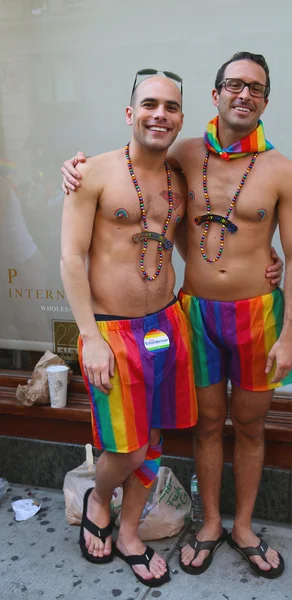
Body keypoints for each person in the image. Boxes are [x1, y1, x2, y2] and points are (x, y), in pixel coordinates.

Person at [61, 51, 292, 580]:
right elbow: (107, 230)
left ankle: (240, 527)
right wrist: (73, 167)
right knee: (203, 425)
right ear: (216, 95)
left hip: (248, 316)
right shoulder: (183, 155)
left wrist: (287, 326)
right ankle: (207, 524)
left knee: (240, 426)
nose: (244, 95)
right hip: (189, 314)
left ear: (266, 100)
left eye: (256, 88)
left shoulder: (281, 169)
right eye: (234, 85)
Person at [60, 72, 198, 588]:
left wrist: (263, 266)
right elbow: (71, 258)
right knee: (128, 448)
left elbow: (185, 244)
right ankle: (100, 501)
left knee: (156, 436)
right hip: (112, 331)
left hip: (166, 323)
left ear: (181, 117)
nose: (159, 114)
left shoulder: (179, 178)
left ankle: (130, 533)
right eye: (149, 104)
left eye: (170, 107)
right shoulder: (91, 173)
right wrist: (89, 336)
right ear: (129, 113)